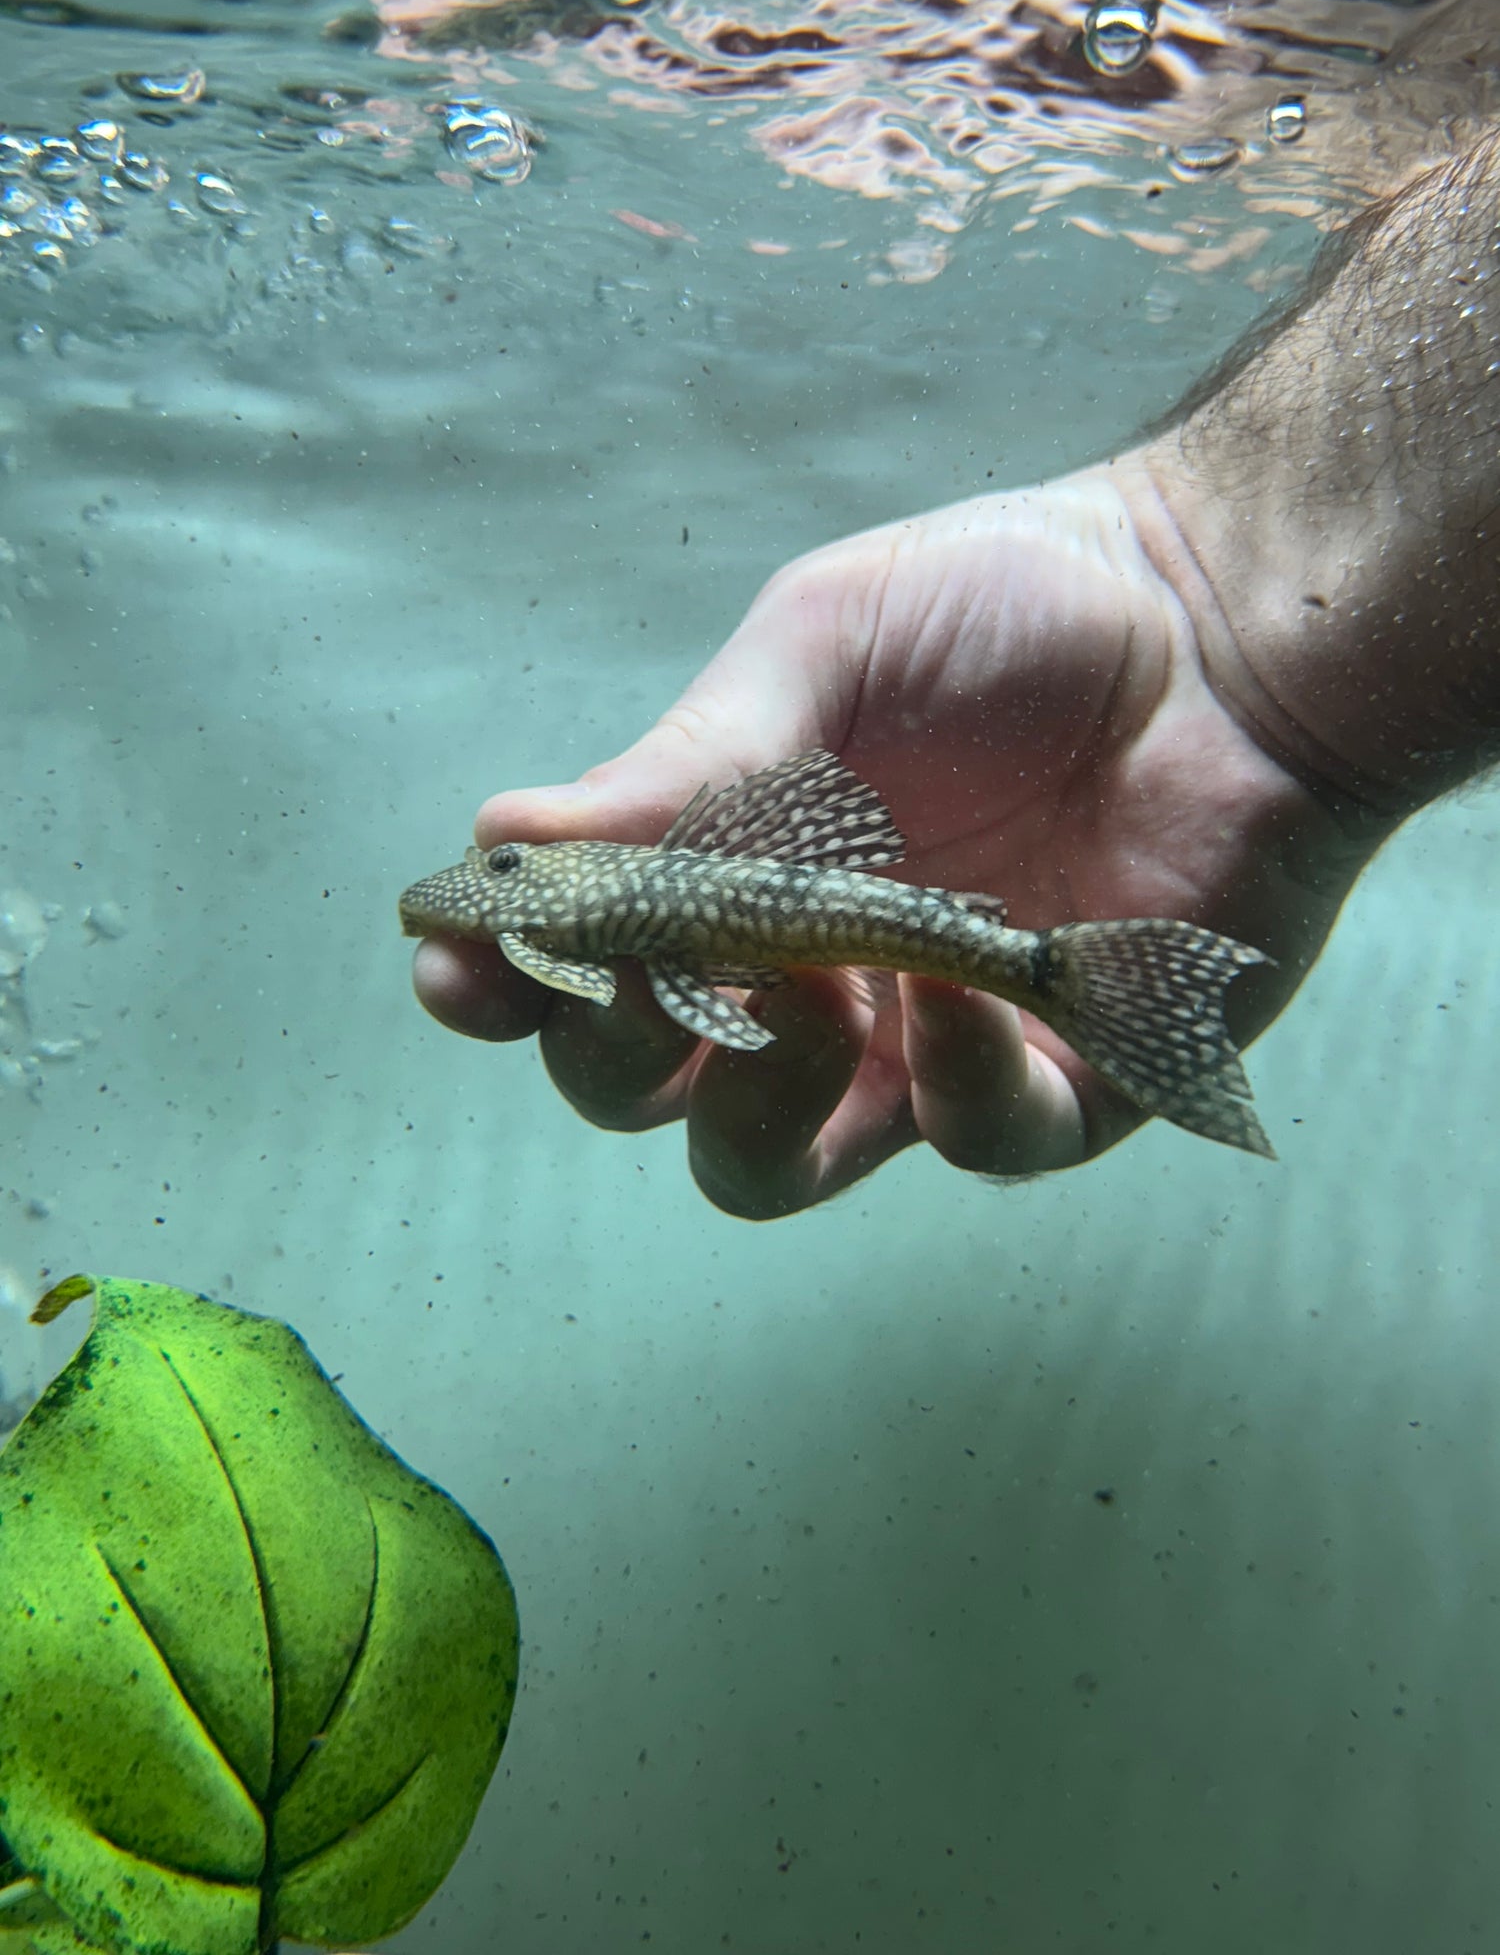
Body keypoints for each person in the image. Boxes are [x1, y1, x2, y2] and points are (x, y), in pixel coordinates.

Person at [410, 128, 1500, 1219]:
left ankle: (1060, 975)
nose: (497, 876)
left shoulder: (554, 934)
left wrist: (1213, 617)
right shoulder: (546, 934)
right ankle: (1066, 976)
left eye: (508, 873)